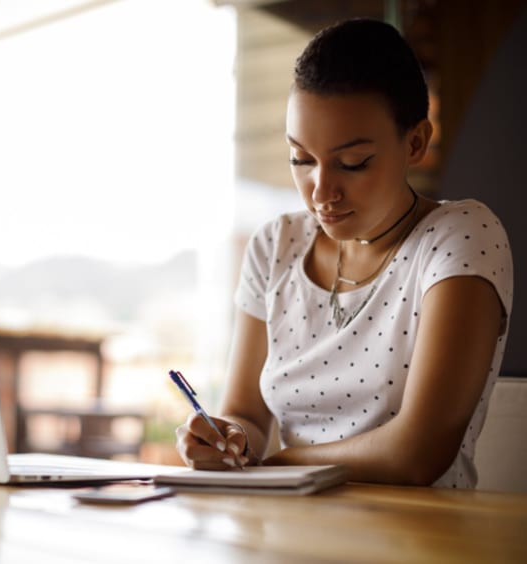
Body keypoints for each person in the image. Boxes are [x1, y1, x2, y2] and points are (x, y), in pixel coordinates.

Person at [175, 18, 513, 488]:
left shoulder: (459, 237)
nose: (321, 192)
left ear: (415, 141)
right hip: (289, 536)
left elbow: (418, 453)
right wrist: (228, 441)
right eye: (301, 159)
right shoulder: (276, 246)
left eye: (352, 163)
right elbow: (246, 415)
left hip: (420, 543)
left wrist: (273, 467)